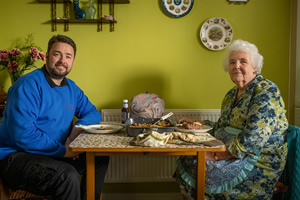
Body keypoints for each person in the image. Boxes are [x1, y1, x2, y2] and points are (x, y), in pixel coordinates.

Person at [173, 39, 288, 200]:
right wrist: (199, 124)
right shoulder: (231, 95)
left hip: (259, 158)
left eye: (243, 61)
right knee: (188, 156)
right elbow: (222, 126)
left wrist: (215, 155)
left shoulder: (266, 91)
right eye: (232, 62)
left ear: (254, 66)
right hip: (234, 151)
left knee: (203, 165)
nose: (237, 66)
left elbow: (253, 139)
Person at [0, 35, 109, 200]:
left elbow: (93, 112)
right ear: (47, 56)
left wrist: (77, 131)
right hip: (16, 157)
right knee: (67, 176)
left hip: (53, 155)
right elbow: (24, 135)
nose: (62, 60)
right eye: (57, 54)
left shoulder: (72, 88)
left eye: (68, 56)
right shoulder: (27, 85)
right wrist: (64, 151)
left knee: (99, 156)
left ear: (73, 61)